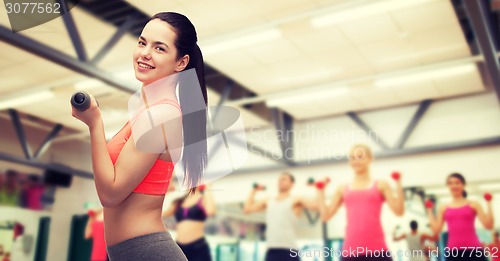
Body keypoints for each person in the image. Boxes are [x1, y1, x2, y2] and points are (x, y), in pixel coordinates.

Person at [71, 12, 208, 261]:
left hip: (147, 252)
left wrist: (94, 124)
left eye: (159, 48)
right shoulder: (147, 112)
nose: (145, 53)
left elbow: (110, 194)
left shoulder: (161, 115)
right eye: (142, 42)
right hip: (131, 251)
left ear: (181, 62)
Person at [317, 144, 405, 260]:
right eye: (352, 158)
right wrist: (320, 192)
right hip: (351, 251)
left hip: (377, 250)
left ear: (370, 159)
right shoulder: (342, 188)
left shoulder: (381, 185)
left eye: (360, 157)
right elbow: (325, 216)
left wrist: (398, 183)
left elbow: (399, 211)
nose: (355, 161)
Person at [243, 172, 319, 261]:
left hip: (290, 251)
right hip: (271, 251)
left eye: (284, 179)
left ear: (292, 184)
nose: (280, 181)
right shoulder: (268, 200)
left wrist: (317, 187)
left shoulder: (296, 199)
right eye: (279, 179)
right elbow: (247, 209)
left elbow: (317, 206)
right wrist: (254, 191)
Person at [426, 173, 493, 260]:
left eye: (457, 182)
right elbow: (436, 229)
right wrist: (430, 211)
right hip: (453, 252)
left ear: (463, 185)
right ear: (448, 186)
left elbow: (488, 225)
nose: (454, 185)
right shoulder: (443, 207)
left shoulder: (474, 204)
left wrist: (489, 203)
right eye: (451, 183)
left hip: (474, 250)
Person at [162, 185, 215, 260]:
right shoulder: (179, 202)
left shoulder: (202, 199)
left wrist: (209, 189)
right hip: (180, 248)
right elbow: (162, 214)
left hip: (197, 247)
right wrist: (167, 193)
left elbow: (211, 212)